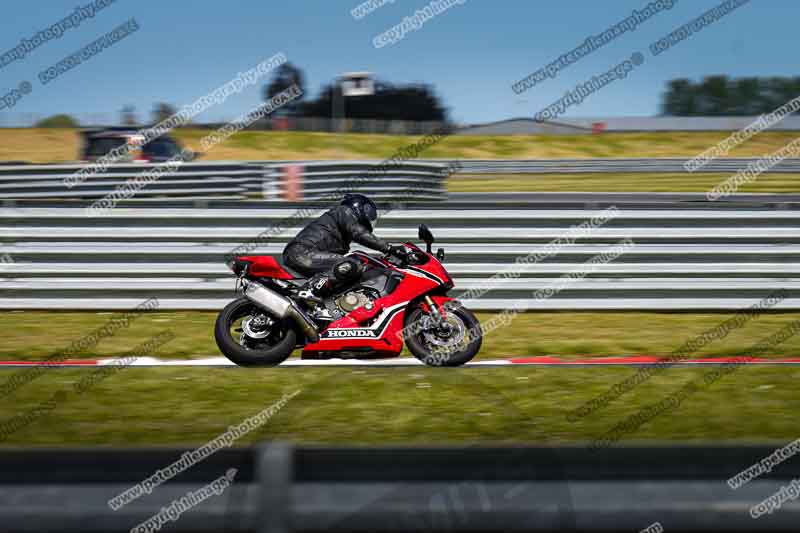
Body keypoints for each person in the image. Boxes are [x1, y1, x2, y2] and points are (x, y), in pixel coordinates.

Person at [282, 193, 407, 300]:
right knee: (351, 264)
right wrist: (389, 248)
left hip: (303, 253)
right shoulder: (343, 211)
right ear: (361, 207)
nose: (370, 218)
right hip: (302, 252)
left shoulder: (342, 233)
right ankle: (308, 291)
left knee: (347, 269)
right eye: (369, 212)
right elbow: (359, 233)